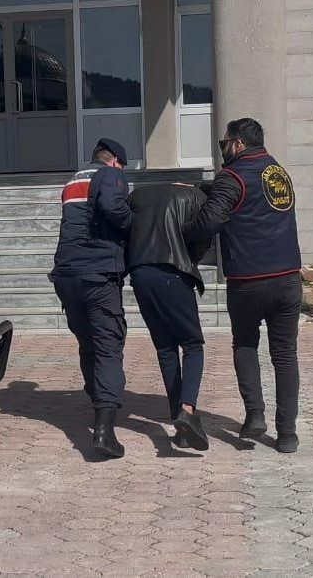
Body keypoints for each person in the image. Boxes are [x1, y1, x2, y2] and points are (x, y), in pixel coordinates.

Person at [187, 118, 303, 454]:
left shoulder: (232, 176)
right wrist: (207, 188)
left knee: (246, 345)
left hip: (248, 281)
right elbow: (248, 199)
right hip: (288, 278)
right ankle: (287, 434)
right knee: (285, 355)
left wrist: (182, 232)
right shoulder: (278, 172)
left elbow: (211, 220)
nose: (223, 149)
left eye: (224, 143)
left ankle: (255, 415)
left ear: (238, 144)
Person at [49, 137, 133, 459]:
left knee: (88, 344)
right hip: (97, 274)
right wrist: (133, 226)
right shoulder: (109, 175)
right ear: (115, 161)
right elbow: (113, 208)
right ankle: (104, 432)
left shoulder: (73, 180)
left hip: (66, 275)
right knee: (109, 346)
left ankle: (97, 398)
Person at [126, 182, 212, 451]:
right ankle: (187, 410)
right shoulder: (197, 198)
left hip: (140, 272)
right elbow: (202, 238)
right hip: (173, 271)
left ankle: (179, 420)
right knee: (193, 344)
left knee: (165, 347)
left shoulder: (138, 195)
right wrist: (190, 260)